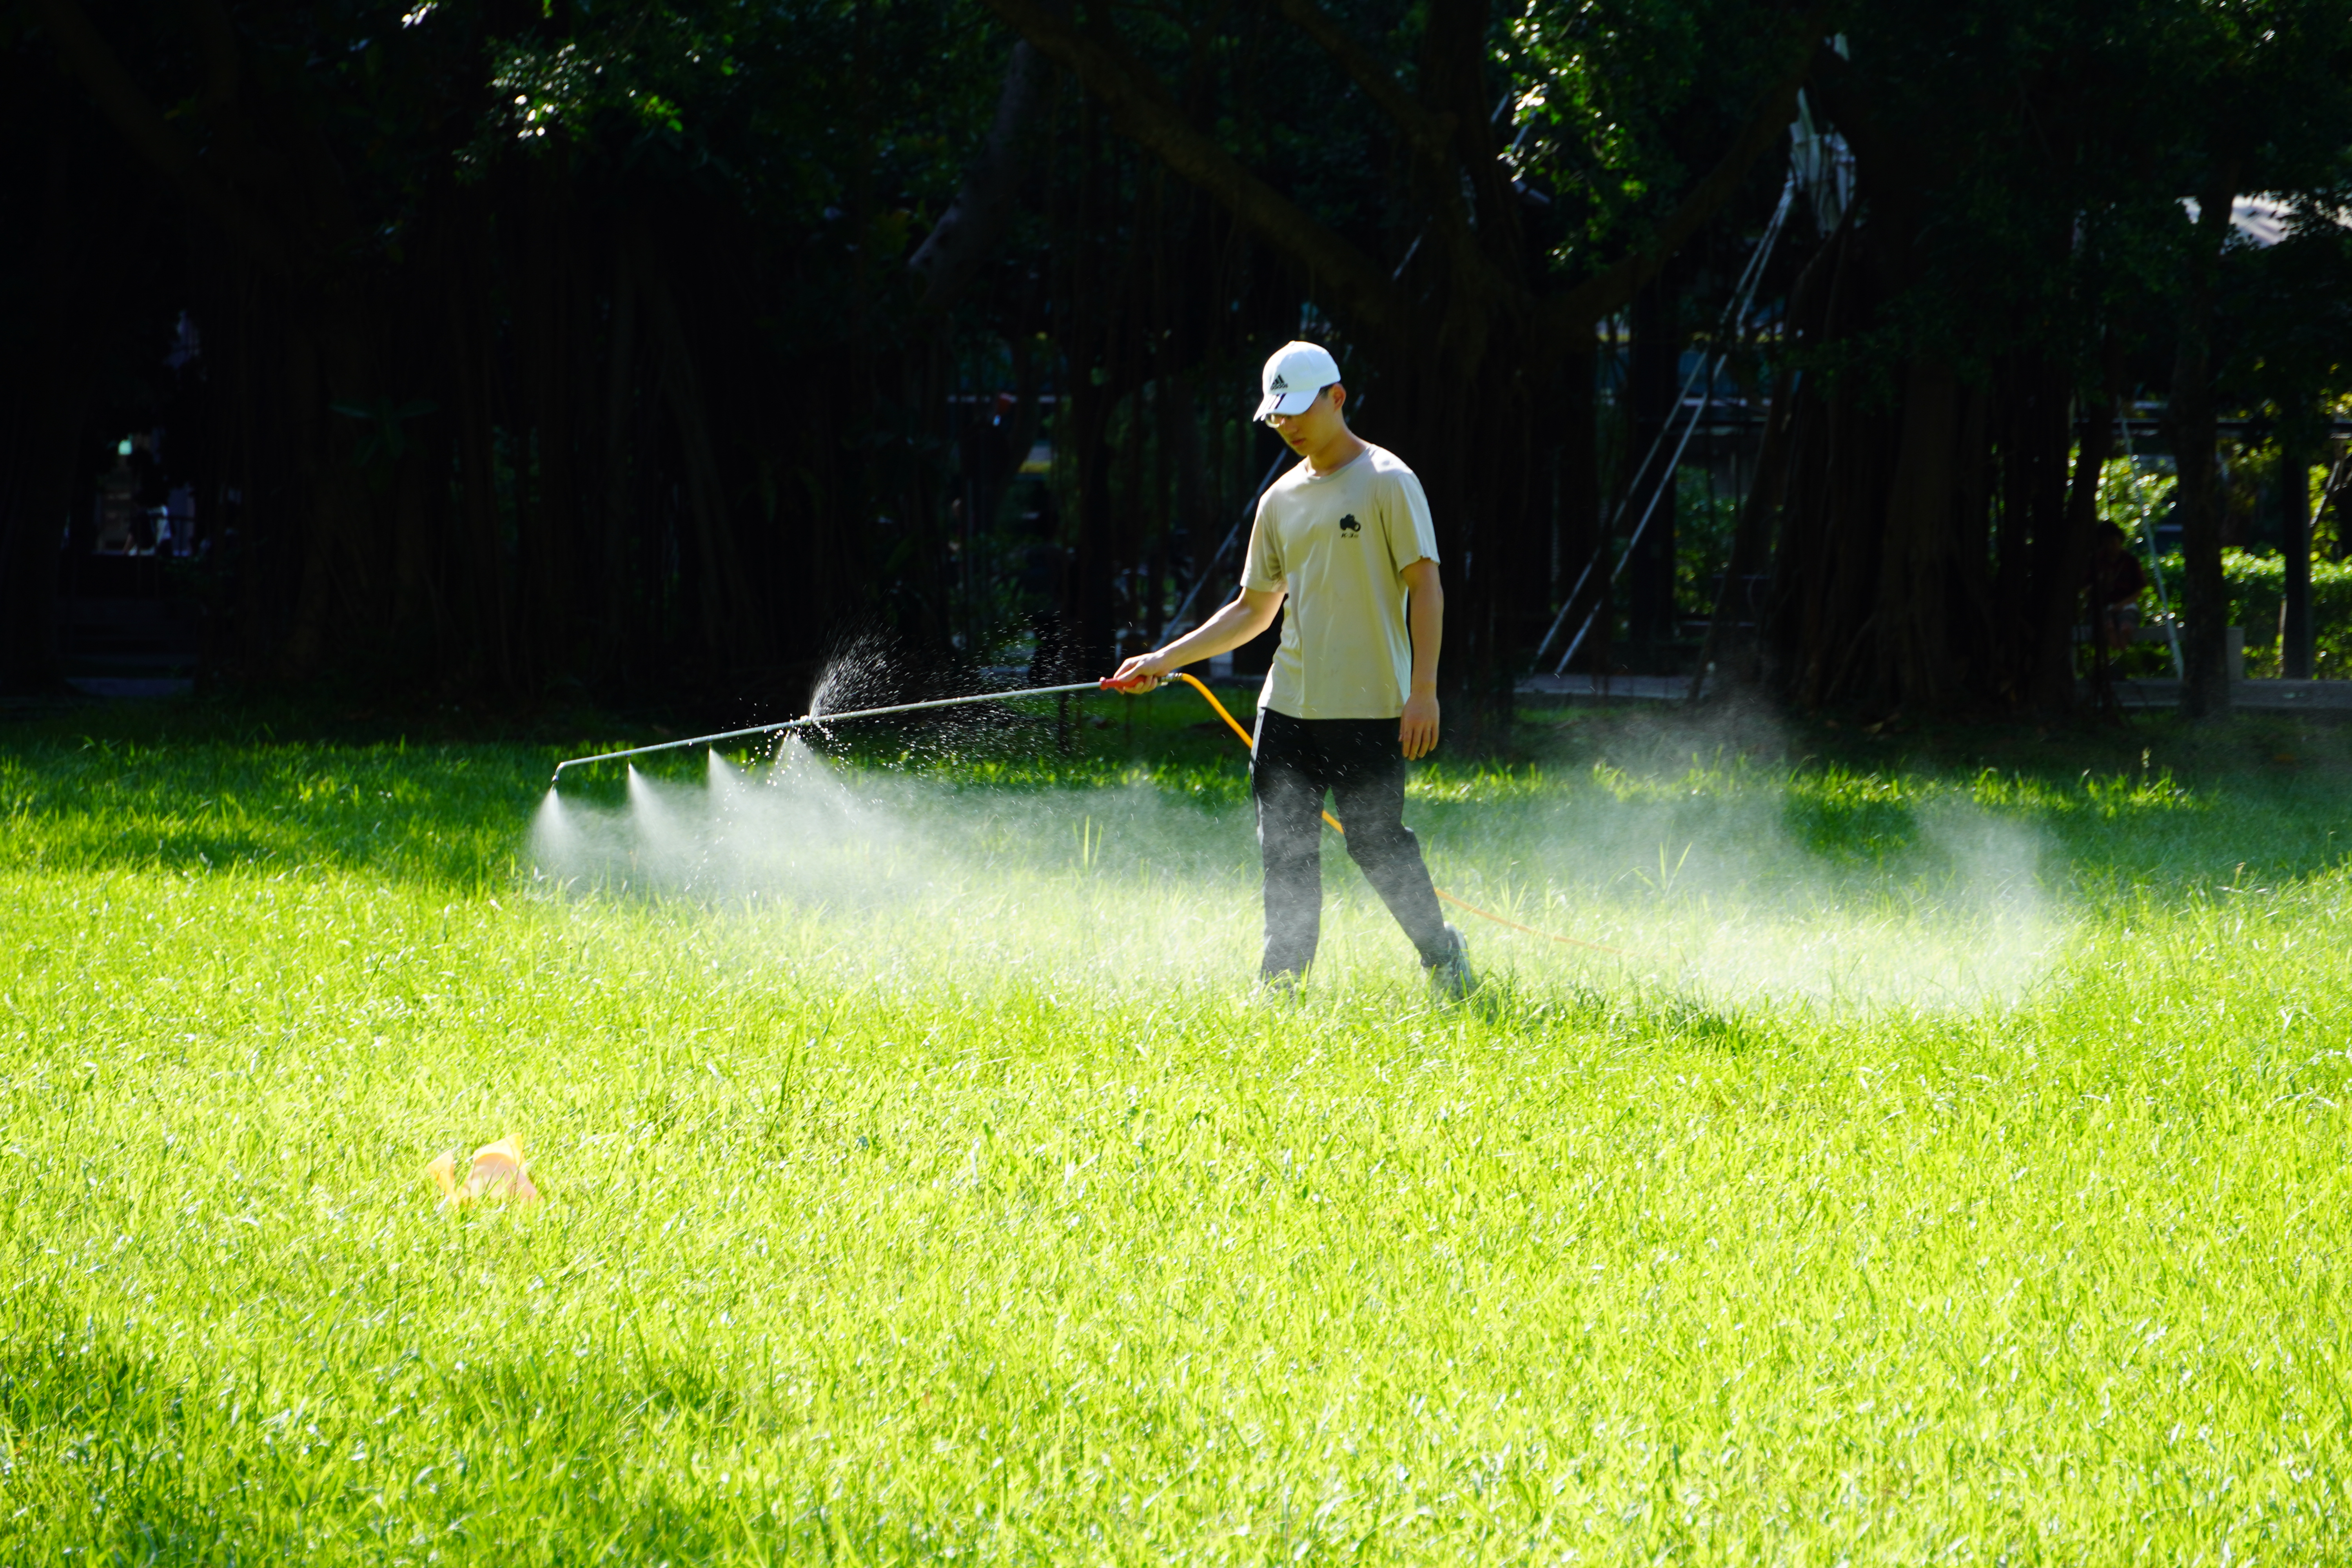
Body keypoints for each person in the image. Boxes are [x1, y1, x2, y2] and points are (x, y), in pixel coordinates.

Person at [1108, 340, 1474, 1000]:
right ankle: (1281, 986)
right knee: (1285, 850)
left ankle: (1442, 956)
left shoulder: (1389, 481)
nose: (1290, 426)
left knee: (1376, 844)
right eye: (1278, 417)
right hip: (1288, 709)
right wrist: (1165, 660)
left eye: (1300, 411)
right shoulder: (1280, 500)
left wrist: (1424, 692)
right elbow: (1254, 610)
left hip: (1372, 706)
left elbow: (1427, 587)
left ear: (1338, 398)